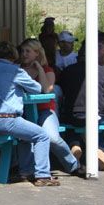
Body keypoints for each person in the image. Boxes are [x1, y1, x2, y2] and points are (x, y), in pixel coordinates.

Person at [0, 41, 60, 186]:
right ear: (13, 56)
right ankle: (43, 175)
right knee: (42, 135)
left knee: (25, 136)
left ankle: (26, 172)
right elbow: (37, 88)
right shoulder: (16, 71)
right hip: (6, 120)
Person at [18, 38, 80, 175]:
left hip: (45, 110)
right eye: (22, 51)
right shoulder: (17, 71)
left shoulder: (48, 70)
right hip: (24, 112)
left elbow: (47, 90)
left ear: (37, 53)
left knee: (52, 137)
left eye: (28, 51)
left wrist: (39, 69)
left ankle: (73, 165)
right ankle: (26, 171)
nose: (24, 54)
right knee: (25, 137)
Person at [60, 43, 104, 171]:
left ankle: (74, 146)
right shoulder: (101, 70)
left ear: (78, 57)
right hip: (99, 114)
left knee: (71, 127)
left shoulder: (68, 70)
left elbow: (61, 86)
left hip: (73, 115)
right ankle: (101, 151)